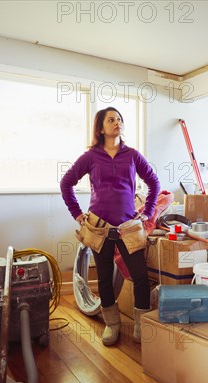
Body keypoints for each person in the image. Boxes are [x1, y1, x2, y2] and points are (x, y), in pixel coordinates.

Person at [60, 106, 160, 345]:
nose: (117, 123)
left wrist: (147, 212)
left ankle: (140, 324)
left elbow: (154, 182)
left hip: (128, 227)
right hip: (99, 228)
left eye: (119, 119)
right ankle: (112, 325)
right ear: (101, 127)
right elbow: (66, 183)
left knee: (140, 276)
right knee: (104, 278)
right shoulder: (91, 157)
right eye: (111, 119)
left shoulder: (133, 155)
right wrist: (77, 213)